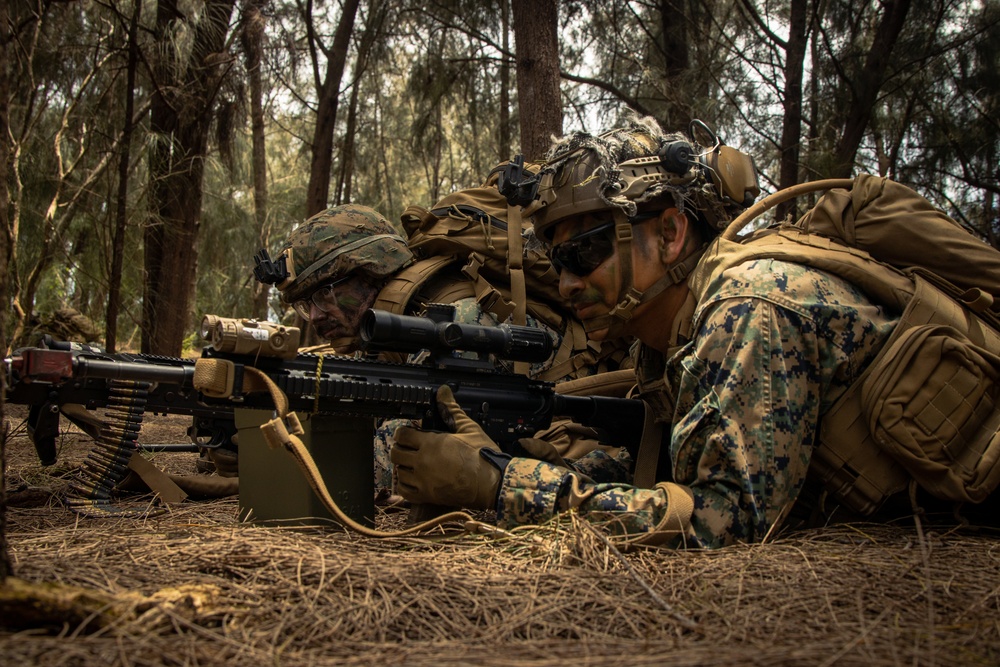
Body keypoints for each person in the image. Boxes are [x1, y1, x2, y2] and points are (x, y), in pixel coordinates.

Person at [391, 114, 905, 547]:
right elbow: (673, 480)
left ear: (670, 234)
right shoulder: (661, 343)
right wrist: (513, 460)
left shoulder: (746, 308)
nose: (566, 283)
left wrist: (502, 485)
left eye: (582, 253)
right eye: (555, 260)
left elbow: (728, 525)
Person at [256, 203, 629, 500]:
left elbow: (414, 454)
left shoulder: (457, 318)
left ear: (369, 269)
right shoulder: (391, 329)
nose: (317, 315)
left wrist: (279, 457)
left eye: (325, 293)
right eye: (306, 304)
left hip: (586, 449)